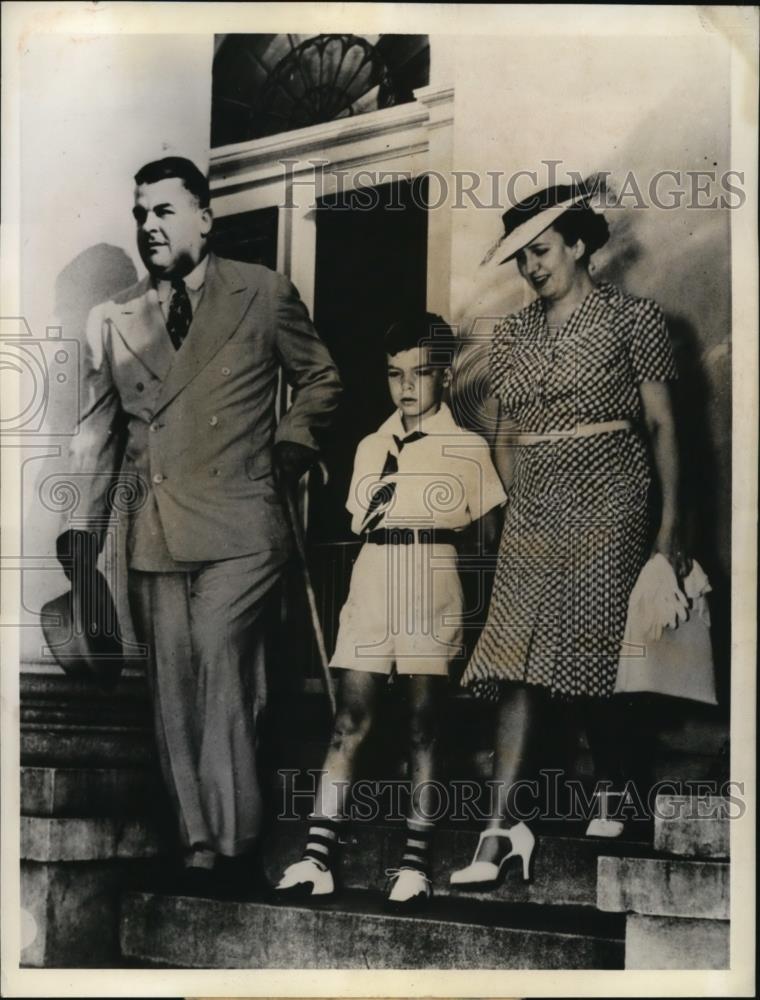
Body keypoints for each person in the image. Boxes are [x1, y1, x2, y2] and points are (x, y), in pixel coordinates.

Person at [56, 156, 342, 889]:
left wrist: (294, 441)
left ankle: (236, 843)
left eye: (164, 211)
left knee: (221, 658)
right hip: (155, 530)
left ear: (205, 218)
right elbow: (100, 435)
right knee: (173, 690)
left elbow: (320, 378)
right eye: (140, 214)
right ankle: (199, 845)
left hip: (244, 523)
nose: (149, 226)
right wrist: (82, 540)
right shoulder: (117, 318)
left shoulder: (263, 292)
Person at [449, 182, 687, 889]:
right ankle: (500, 828)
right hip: (536, 500)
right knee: (513, 652)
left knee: (595, 633)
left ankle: (613, 784)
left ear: (580, 245)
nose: (531, 268)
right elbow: (505, 433)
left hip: (612, 487)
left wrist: (670, 529)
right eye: (522, 257)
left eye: (543, 251)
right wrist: (514, 501)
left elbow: (662, 425)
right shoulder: (512, 335)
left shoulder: (633, 317)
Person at [275, 312, 506, 909]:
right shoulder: (370, 447)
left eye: (420, 373)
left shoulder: (466, 447)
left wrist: (480, 626)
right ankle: (316, 858)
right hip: (374, 576)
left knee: (424, 723)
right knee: (349, 719)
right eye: (394, 374)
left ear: (445, 376)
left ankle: (415, 864)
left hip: (433, 577)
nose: (406, 386)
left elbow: (488, 542)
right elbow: (362, 520)